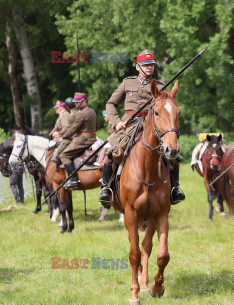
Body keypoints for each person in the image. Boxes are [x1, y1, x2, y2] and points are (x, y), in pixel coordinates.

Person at [99, 49, 185, 205]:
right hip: (129, 125)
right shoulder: (128, 82)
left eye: (151, 65)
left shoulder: (160, 86)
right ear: (137, 66)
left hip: (151, 126)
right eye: (145, 65)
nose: (149, 67)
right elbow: (111, 104)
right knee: (114, 151)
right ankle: (106, 188)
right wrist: (116, 121)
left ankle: (175, 188)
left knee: (172, 154)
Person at [60, 92, 99, 190]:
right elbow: (97, 126)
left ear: (83, 101)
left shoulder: (81, 114)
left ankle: (73, 180)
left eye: (77, 102)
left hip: (83, 140)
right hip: (93, 137)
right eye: (75, 102)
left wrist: (63, 137)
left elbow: (73, 129)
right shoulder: (92, 111)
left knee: (64, 155)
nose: (75, 104)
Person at [51, 98, 77, 164]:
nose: (55, 109)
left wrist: (59, 135)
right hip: (60, 136)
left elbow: (66, 127)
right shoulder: (62, 115)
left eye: (56, 108)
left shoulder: (65, 115)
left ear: (59, 108)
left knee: (56, 154)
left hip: (64, 137)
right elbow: (56, 128)